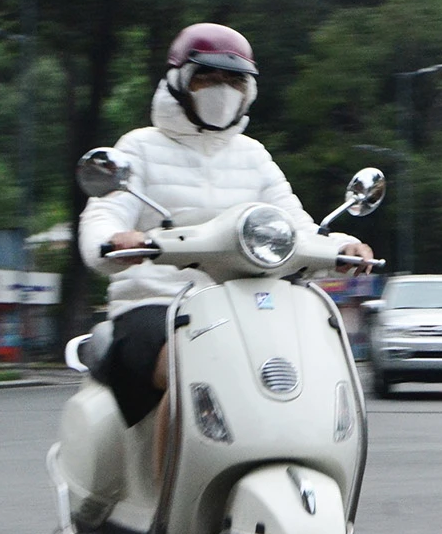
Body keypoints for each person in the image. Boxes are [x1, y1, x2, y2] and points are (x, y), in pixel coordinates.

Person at [78, 23, 374, 471]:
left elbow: (295, 225)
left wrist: (343, 247)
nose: (222, 90)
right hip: (154, 306)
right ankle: (169, 526)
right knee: (194, 369)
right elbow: (103, 215)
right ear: (180, 82)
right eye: (207, 78)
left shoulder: (253, 155)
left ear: (249, 91)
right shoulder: (138, 147)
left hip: (244, 310)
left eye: (234, 81)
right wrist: (115, 241)